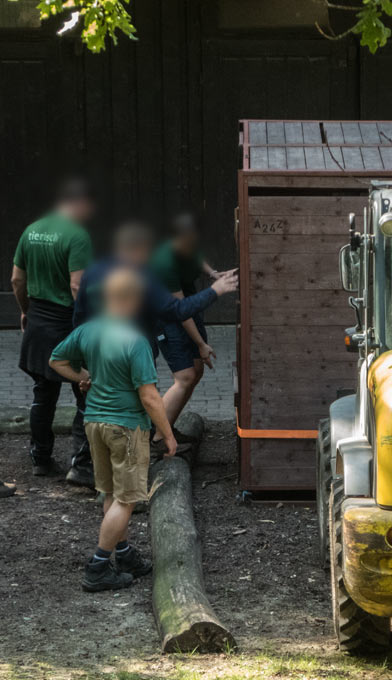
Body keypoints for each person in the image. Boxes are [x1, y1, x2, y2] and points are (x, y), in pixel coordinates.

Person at [69, 221, 237, 485]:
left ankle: (87, 467)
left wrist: (82, 365)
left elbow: (79, 317)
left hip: (99, 351)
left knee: (97, 406)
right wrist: (215, 291)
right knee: (137, 404)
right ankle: (127, 479)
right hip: (130, 352)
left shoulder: (94, 272)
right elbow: (178, 310)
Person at [49, 267, 177, 592]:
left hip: (94, 424)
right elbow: (149, 396)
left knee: (110, 492)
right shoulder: (136, 342)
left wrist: (82, 377)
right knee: (126, 499)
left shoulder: (89, 331)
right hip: (127, 428)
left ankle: (124, 553)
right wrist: (167, 433)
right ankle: (98, 566)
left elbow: (56, 359)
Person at [11, 177, 94, 478]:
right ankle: (82, 466)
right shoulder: (77, 236)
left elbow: (17, 280)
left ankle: (41, 459)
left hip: (38, 321)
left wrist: (25, 311)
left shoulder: (31, 230)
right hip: (67, 323)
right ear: (78, 203)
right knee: (85, 391)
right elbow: (77, 286)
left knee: (42, 394)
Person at [149, 211, 229, 454]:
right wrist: (201, 344)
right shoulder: (164, 262)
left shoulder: (187, 248)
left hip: (186, 311)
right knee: (184, 377)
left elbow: (196, 258)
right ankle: (154, 438)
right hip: (169, 318)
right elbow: (180, 311)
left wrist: (214, 274)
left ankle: (167, 428)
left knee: (196, 371)